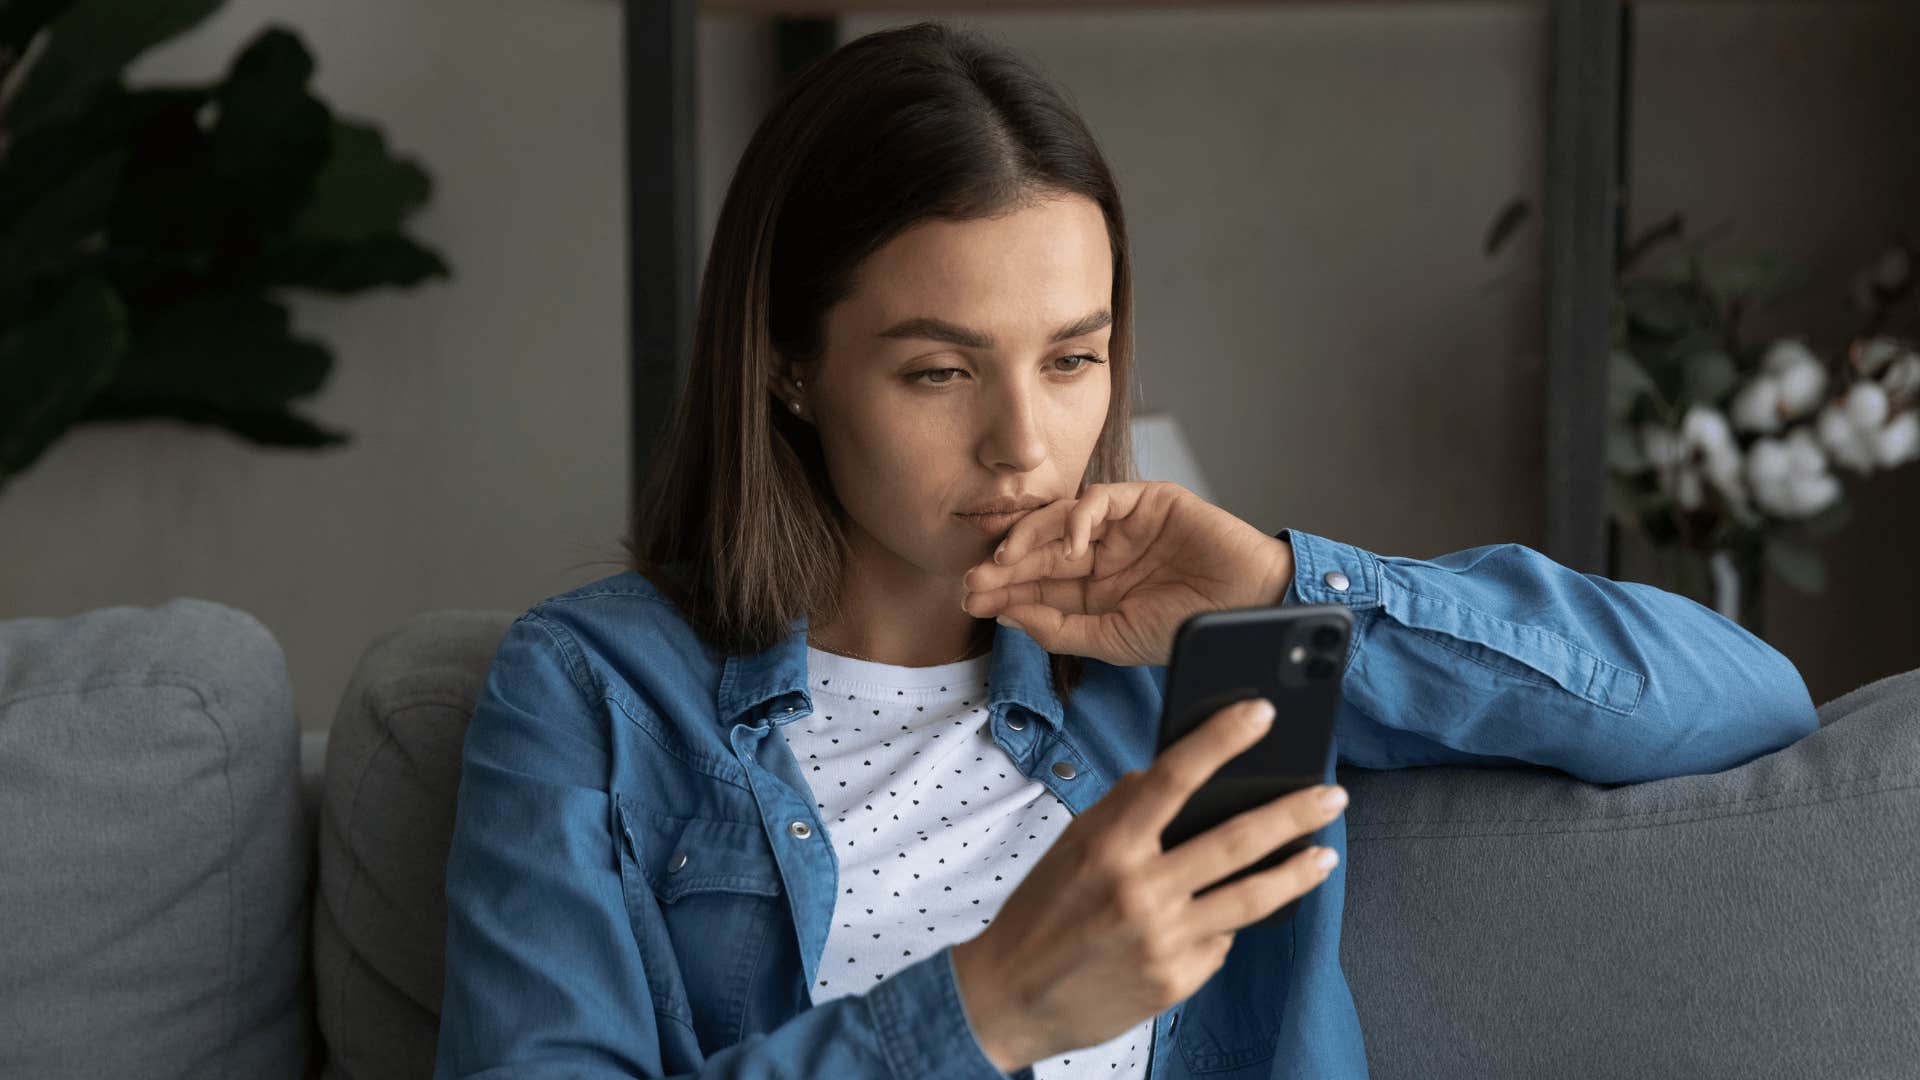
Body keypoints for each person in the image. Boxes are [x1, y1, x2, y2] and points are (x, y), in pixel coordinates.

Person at [433, 20, 1820, 1080]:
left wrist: (1287, 590)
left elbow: (1743, 700)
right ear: (792, 365)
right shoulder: (597, 695)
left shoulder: (1192, 668)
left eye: (1075, 357)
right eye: (937, 371)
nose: (1025, 445)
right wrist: (987, 1008)